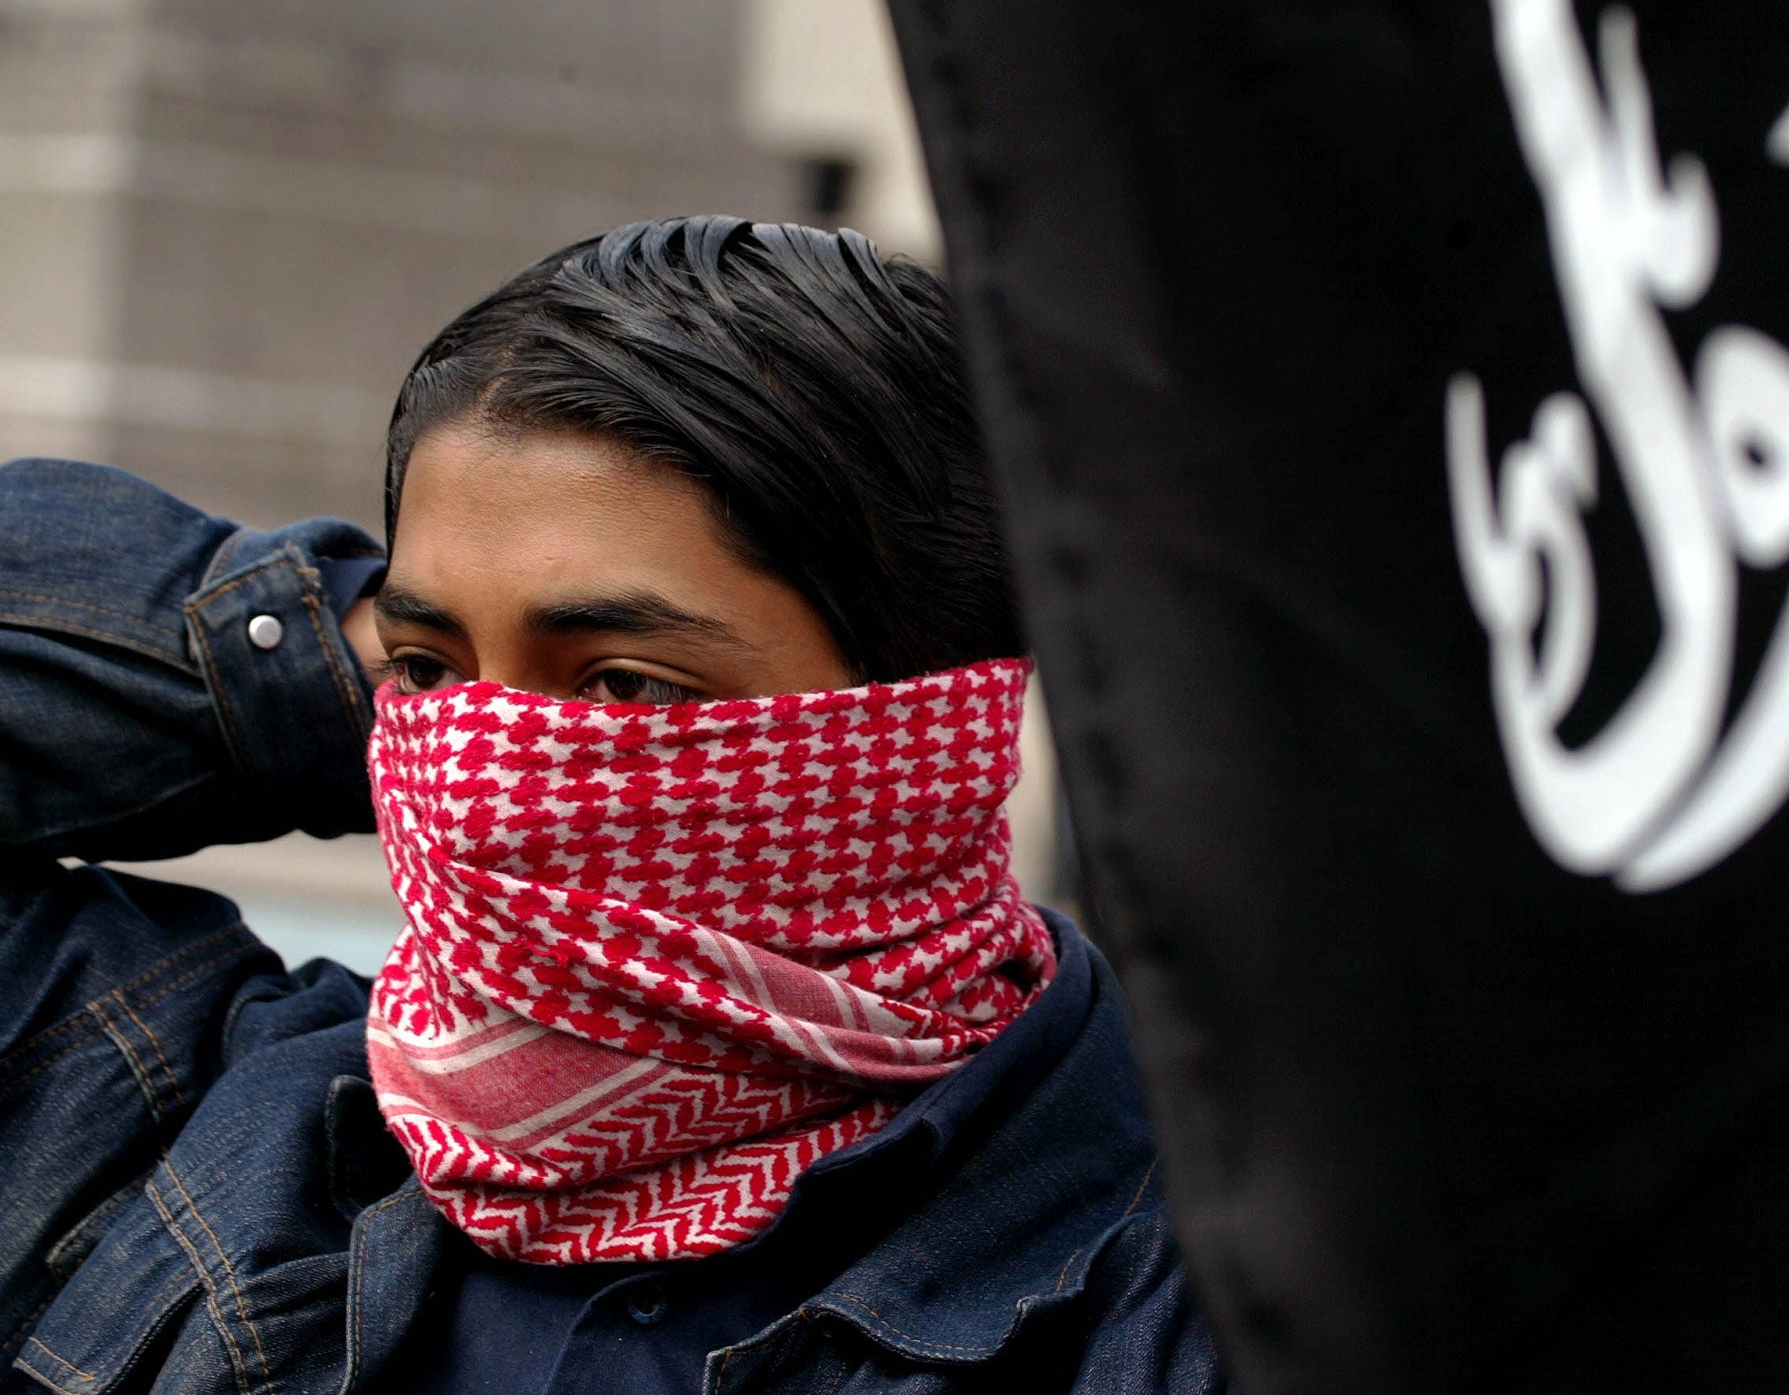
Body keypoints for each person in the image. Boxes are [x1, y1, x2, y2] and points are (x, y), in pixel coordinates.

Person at [0, 216, 1226, 1394]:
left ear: (916, 748)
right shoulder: (169, 1111)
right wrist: (338, 651)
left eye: (625, 685)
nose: (479, 777)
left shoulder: (1187, 1310)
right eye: (428, 672)